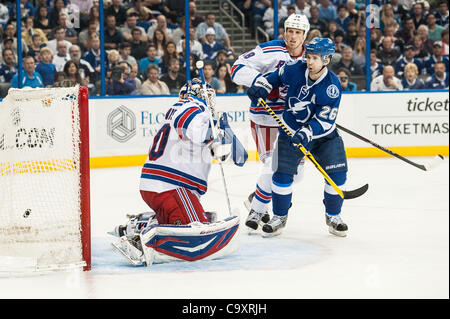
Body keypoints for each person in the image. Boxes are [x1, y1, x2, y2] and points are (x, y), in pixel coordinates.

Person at [108, 79, 239, 266]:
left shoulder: (188, 112)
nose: (210, 102)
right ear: (197, 95)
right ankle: (139, 239)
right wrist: (212, 134)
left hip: (160, 186)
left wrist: (220, 138)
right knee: (197, 228)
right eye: (207, 96)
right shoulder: (191, 107)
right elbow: (187, 124)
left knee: (199, 219)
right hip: (172, 188)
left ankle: (137, 225)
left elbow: (228, 154)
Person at [246, 37, 350, 237]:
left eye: (315, 58)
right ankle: (279, 217)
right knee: (281, 175)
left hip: (323, 137)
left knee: (337, 176)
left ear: (327, 60)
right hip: (291, 130)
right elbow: (276, 77)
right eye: (308, 56)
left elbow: (324, 121)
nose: (310, 62)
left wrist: (307, 131)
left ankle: (333, 216)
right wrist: (263, 87)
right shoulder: (295, 69)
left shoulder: (332, 86)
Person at [231, 14, 309, 231]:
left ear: (305, 35)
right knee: (273, 166)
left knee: (296, 173)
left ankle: (258, 197)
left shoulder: (310, 56)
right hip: (265, 116)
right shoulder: (269, 50)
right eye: (289, 31)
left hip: (293, 120)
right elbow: (236, 68)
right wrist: (259, 82)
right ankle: (257, 209)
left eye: (298, 32)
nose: (292, 36)